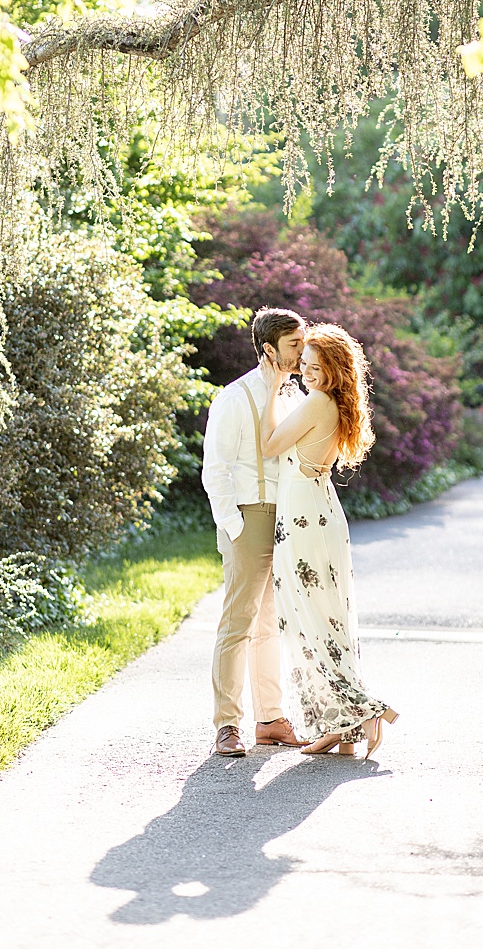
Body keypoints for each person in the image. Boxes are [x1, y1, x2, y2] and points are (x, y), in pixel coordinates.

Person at [257, 321, 398, 758]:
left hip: (304, 519)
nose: (306, 372)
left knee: (310, 623)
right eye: (304, 364)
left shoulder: (318, 402)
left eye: (316, 366)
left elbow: (268, 444)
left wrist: (271, 385)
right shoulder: (333, 401)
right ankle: (341, 727)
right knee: (325, 621)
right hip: (317, 513)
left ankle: (362, 711)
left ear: (334, 369)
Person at [200, 307, 312, 757]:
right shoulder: (234, 397)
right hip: (247, 518)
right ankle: (227, 724)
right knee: (238, 622)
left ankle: (270, 720)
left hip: (285, 518)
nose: (302, 353)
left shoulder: (293, 397)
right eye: (294, 346)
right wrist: (234, 524)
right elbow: (216, 470)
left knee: (270, 624)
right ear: (269, 349)